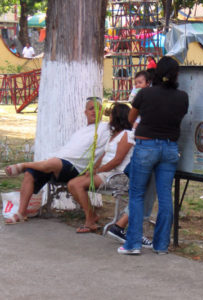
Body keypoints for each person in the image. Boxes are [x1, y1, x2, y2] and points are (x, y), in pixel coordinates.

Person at [118, 56, 189, 255]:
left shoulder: (145, 93)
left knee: (137, 194)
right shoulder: (183, 96)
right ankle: (161, 246)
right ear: (176, 75)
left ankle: (132, 244)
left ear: (156, 73)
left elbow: (132, 117)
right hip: (170, 149)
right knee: (165, 196)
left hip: (146, 146)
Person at [4, 97, 110, 224]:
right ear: (85, 112)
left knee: (52, 163)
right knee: (30, 173)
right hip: (58, 163)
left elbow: (113, 143)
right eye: (91, 108)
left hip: (76, 168)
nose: (94, 111)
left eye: (98, 109)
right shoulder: (80, 131)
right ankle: (21, 213)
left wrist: (97, 167)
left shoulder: (106, 128)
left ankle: (23, 165)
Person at [67, 103, 134, 233]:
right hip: (106, 172)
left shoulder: (127, 134)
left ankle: (90, 221)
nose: (109, 118)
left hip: (117, 175)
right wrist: (91, 169)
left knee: (76, 185)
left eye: (112, 115)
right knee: (72, 184)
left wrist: (97, 171)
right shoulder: (114, 135)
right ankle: (91, 216)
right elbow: (103, 156)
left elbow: (117, 160)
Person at [107, 70, 154, 248]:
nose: (137, 86)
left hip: (140, 156)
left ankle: (127, 230)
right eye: (136, 83)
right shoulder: (144, 102)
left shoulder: (142, 103)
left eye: (140, 82)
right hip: (143, 156)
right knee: (142, 195)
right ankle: (128, 232)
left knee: (140, 194)